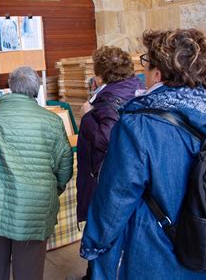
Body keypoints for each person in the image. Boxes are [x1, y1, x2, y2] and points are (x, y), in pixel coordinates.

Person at [80, 29, 206, 279]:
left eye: (146, 64)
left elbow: (115, 199)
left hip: (159, 256)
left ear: (157, 73)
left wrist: (93, 245)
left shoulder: (138, 126)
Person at [0, 66, 74, 280]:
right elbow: (65, 164)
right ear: (37, 89)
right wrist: (54, 188)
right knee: (29, 270)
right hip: (36, 206)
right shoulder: (52, 120)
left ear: (10, 87)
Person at [76, 46, 143, 279]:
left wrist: (87, 115)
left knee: (102, 230)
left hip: (105, 175)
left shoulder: (109, 100)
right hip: (124, 173)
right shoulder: (135, 89)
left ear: (100, 74)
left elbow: (106, 138)